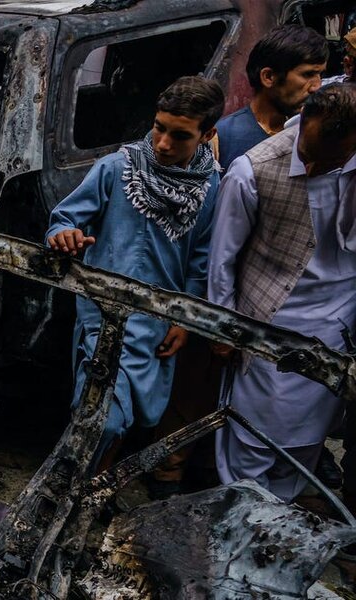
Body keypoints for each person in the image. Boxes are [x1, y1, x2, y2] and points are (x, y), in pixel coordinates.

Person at [46, 76, 224, 469]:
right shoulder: (115, 168)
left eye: (180, 136)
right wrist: (65, 236)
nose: (163, 144)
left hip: (158, 325)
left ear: (207, 133)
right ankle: (69, 488)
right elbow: (64, 219)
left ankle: (92, 486)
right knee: (100, 419)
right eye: (159, 128)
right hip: (103, 316)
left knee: (135, 418)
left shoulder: (210, 187)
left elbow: (200, 261)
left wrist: (185, 320)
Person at [210, 83, 356, 502]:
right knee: (251, 441)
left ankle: (279, 526)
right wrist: (224, 325)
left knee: (305, 447)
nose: (310, 170)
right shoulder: (252, 170)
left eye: (327, 163)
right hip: (267, 325)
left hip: (337, 332)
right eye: (306, 157)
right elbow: (222, 258)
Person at [215, 25, 326, 173]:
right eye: (307, 75)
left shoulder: (315, 131)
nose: (317, 87)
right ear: (268, 77)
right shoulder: (222, 138)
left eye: (320, 75)